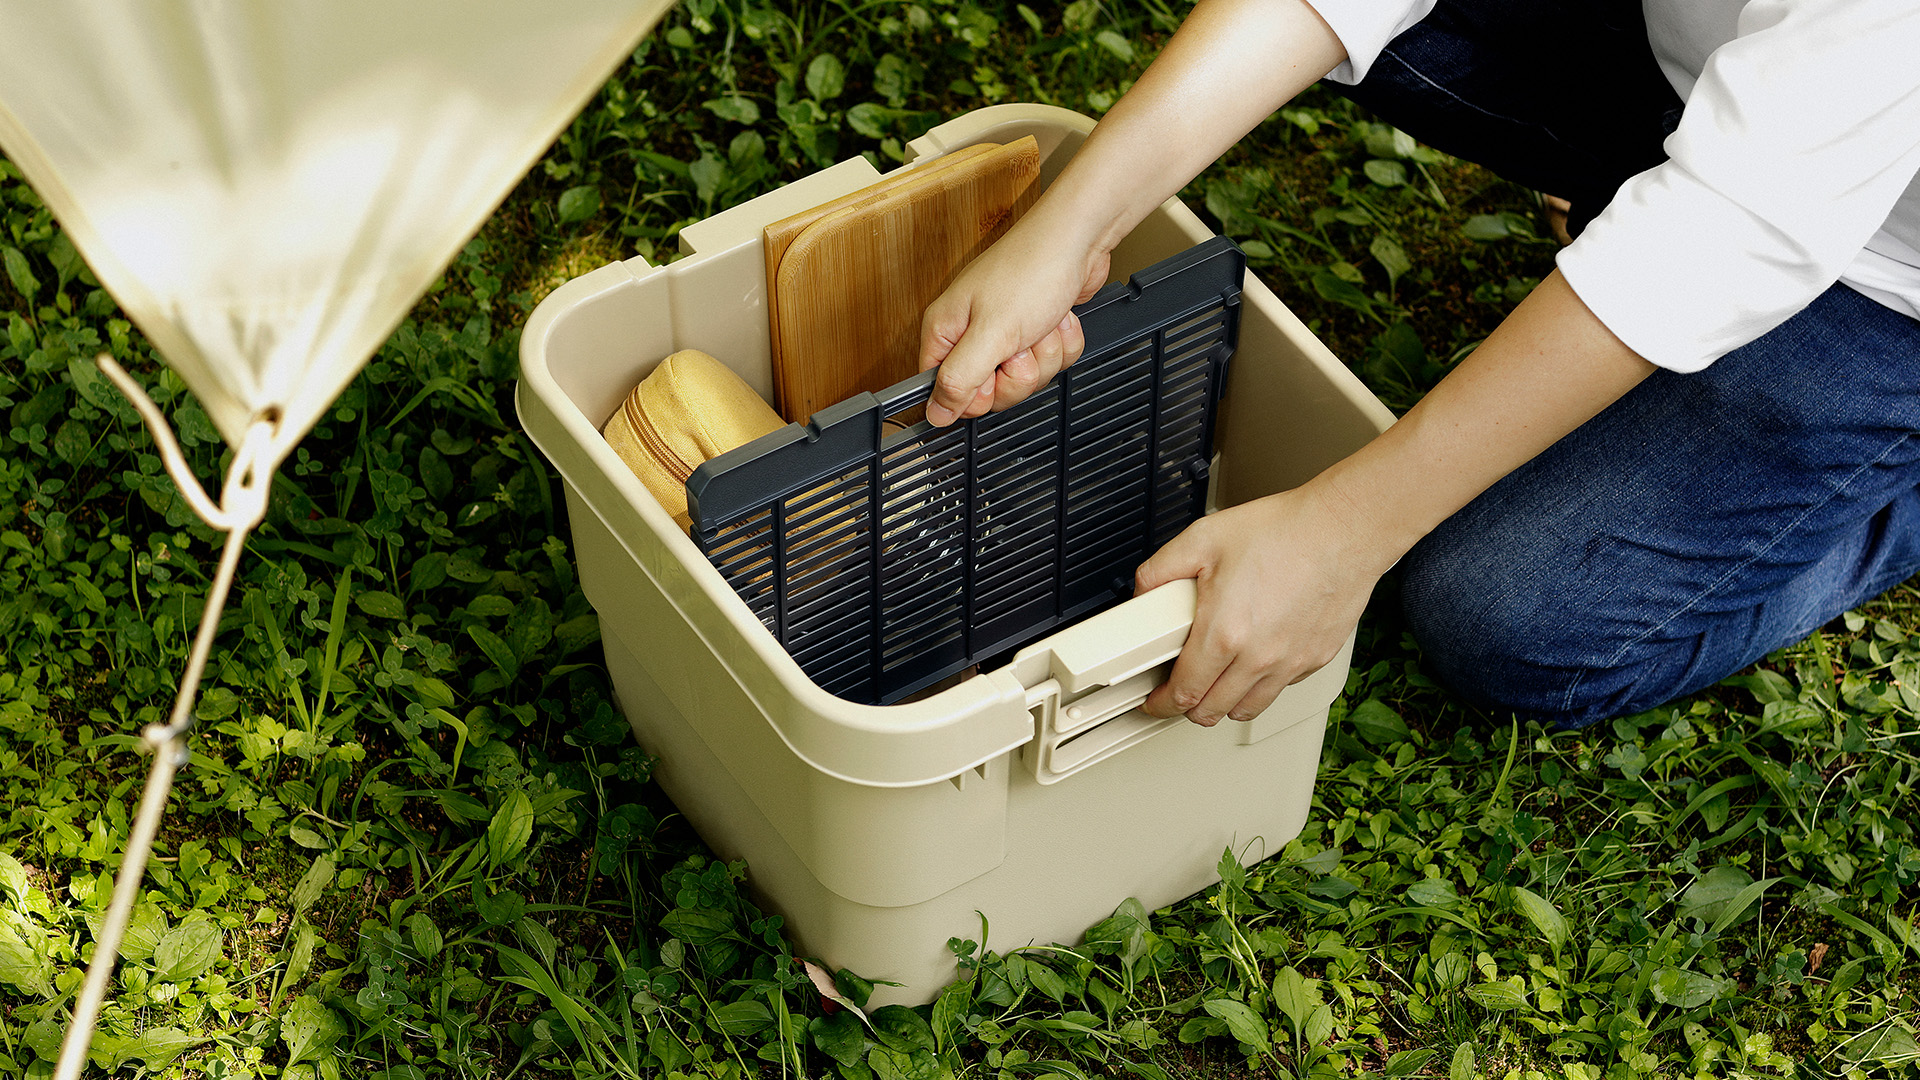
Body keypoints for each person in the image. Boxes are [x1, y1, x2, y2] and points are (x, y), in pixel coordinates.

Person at [915, 0, 1920, 731]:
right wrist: (1075, 222)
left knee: (1509, 616)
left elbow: (1725, 233)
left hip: (1882, 270)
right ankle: (1637, 180)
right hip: (1713, 68)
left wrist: (1340, 532)